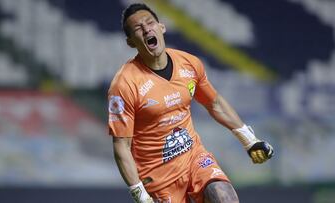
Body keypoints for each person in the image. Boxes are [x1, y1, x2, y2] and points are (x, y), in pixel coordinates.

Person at [108, 3, 274, 203]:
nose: (146, 29)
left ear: (162, 27)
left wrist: (249, 140)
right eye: (138, 28)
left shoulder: (189, 63)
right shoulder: (124, 84)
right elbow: (121, 146)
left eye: (150, 23)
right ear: (131, 42)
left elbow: (215, 103)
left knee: (224, 195)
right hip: (159, 178)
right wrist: (140, 195)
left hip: (194, 159)